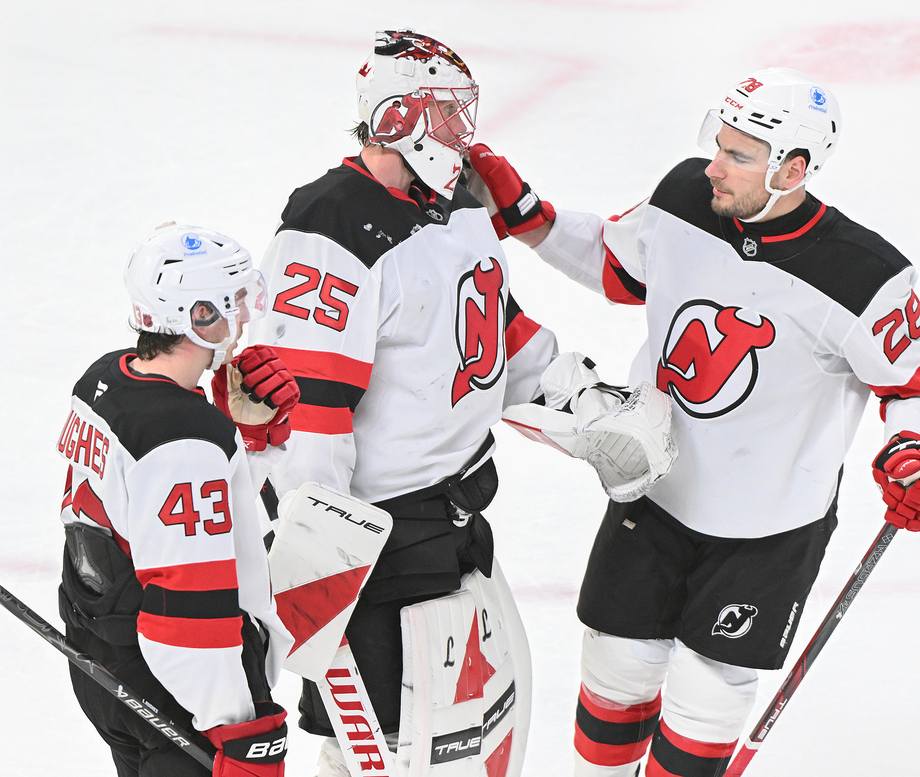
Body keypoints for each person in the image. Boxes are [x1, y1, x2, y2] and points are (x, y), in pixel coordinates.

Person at [466, 68, 920, 777]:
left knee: (708, 693)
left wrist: (913, 449)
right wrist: (529, 215)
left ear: (794, 168)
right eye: (717, 144)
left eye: (738, 156)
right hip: (656, 490)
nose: (713, 166)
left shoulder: (863, 276)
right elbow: (616, 262)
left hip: (770, 528)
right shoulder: (682, 198)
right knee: (615, 666)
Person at [250, 28, 673, 777]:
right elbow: (312, 407)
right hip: (377, 541)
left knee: (459, 740)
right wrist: (315, 549)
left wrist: (578, 401)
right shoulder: (331, 225)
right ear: (397, 117)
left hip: (456, 519)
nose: (462, 133)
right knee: (388, 750)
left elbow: (489, 335)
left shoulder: (460, 199)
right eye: (447, 114)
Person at [57, 223, 299, 777]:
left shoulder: (104, 380)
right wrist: (240, 727)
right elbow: (187, 613)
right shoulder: (181, 436)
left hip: (104, 663)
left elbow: (142, 514)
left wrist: (244, 441)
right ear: (199, 317)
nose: (244, 316)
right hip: (177, 699)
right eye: (233, 302)